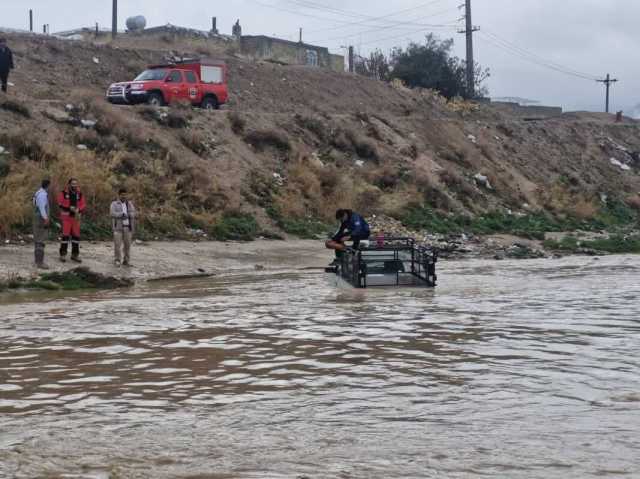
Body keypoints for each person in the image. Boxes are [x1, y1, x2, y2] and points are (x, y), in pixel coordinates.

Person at [57, 178, 86, 263]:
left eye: (75, 184)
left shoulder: (79, 194)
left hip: (76, 219)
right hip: (66, 218)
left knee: (76, 237)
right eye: (73, 183)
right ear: (69, 184)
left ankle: (75, 255)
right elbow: (60, 203)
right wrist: (69, 208)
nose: (74, 185)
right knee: (65, 237)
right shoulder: (63, 193)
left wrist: (79, 210)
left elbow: (83, 204)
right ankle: (62, 255)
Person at [110, 188, 136, 267]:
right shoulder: (114, 204)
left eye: (125, 195)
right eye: (122, 195)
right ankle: (117, 260)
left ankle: (126, 260)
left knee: (127, 245)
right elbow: (112, 213)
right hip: (118, 227)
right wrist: (121, 214)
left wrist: (129, 214)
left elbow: (133, 213)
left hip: (128, 227)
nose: (124, 196)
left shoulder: (129, 204)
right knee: (117, 245)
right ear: (119, 195)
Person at [32, 179, 51, 269]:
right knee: (40, 240)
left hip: (37, 218)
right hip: (40, 219)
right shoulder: (43, 194)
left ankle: (37, 261)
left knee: (37, 240)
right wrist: (46, 218)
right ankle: (40, 262)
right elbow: (42, 207)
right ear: (48, 186)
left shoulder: (38, 192)